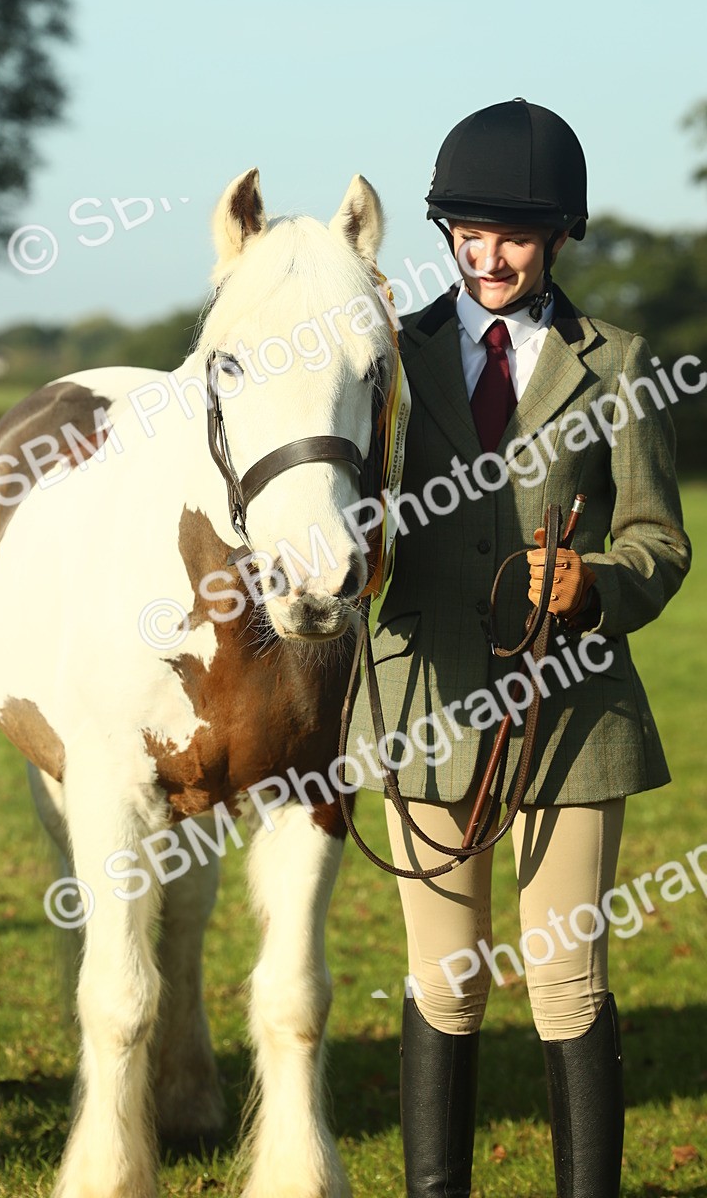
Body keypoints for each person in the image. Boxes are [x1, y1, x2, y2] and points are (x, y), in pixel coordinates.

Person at [350, 98, 692, 1196]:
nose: (485, 255)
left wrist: (596, 585)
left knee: (565, 984)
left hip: (570, 715)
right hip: (423, 704)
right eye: (466, 231)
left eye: (510, 234)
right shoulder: (389, 361)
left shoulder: (621, 365)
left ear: (555, 238)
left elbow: (657, 540)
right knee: (443, 982)